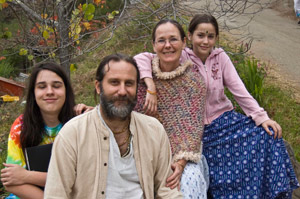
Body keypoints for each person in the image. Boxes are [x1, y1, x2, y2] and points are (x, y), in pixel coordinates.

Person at [135, 14, 299, 198]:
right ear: (188, 37)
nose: (205, 41)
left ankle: (269, 192)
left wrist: (262, 117)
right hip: (198, 129)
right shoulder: (179, 55)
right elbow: (141, 58)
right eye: (200, 35)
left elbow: (240, 91)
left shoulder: (221, 58)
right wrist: (150, 85)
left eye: (210, 36)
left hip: (223, 119)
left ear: (216, 38)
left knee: (267, 137)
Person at [44, 53, 183, 199]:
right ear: (98, 87)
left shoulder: (154, 130)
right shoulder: (73, 133)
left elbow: (167, 192)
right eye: (114, 83)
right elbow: (56, 194)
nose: (122, 91)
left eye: (129, 83)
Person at [134, 19, 209, 199]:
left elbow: (193, 130)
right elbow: (121, 105)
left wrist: (180, 163)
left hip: (183, 156)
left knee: (189, 179)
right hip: (143, 153)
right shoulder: (140, 77)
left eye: (173, 39)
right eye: (161, 40)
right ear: (153, 45)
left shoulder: (194, 82)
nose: (167, 45)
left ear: (184, 42)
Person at [0, 62, 76, 199]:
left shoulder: (80, 123)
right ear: (33, 93)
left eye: (56, 86)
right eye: (41, 87)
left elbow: (82, 179)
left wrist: (27, 176)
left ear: (66, 90)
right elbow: (10, 181)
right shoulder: (20, 126)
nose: (49, 91)